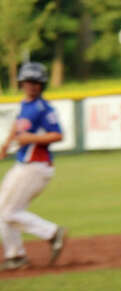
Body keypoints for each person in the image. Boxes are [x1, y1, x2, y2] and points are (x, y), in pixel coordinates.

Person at [0, 61, 67, 272]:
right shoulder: (26, 105)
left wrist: (32, 138)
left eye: (36, 82)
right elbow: (18, 126)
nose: (31, 85)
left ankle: (52, 232)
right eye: (28, 81)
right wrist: (5, 145)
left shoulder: (43, 108)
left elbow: (57, 134)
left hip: (35, 166)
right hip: (24, 164)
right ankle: (15, 256)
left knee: (8, 212)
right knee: (3, 211)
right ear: (21, 83)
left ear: (42, 84)